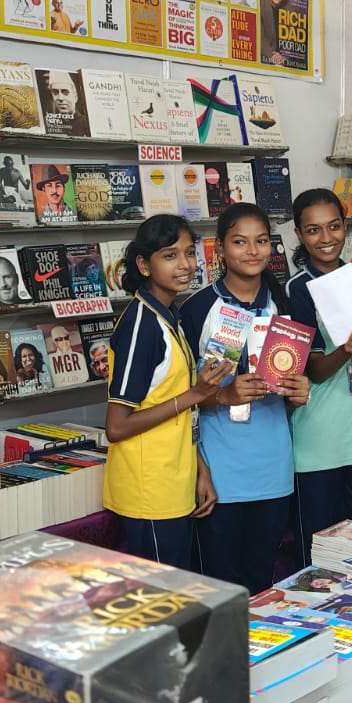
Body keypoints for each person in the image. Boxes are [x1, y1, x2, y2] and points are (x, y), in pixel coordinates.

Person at [180, 203, 310, 590]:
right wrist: (224, 395)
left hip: (273, 469)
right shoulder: (197, 308)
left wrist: (298, 391)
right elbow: (178, 400)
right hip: (219, 471)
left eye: (261, 241)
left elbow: (291, 380)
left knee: (261, 581)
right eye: (240, 242)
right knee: (220, 586)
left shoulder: (283, 304)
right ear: (219, 248)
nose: (252, 251)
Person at [103, 215, 232, 569]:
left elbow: (176, 406)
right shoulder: (141, 325)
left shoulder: (169, 315)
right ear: (144, 265)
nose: (185, 265)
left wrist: (200, 469)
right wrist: (195, 394)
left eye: (189, 253)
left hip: (175, 481)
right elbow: (116, 426)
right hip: (150, 491)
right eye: (170, 255)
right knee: (163, 595)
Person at [288, 189, 352, 556]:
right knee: (318, 550)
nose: (326, 238)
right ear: (299, 234)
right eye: (313, 230)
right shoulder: (297, 289)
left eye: (334, 226)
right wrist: (345, 351)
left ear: (345, 226)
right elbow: (312, 369)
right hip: (319, 442)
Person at [258, 0, 288, 67]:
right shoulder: (259, 4)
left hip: (283, 65)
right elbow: (259, 38)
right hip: (263, 62)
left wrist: (283, 58)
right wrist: (274, 57)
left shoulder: (291, 8)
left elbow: (296, 45)